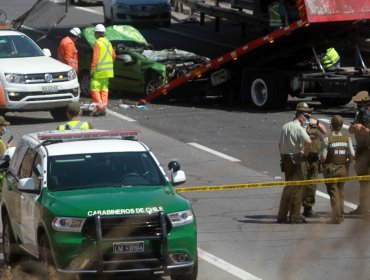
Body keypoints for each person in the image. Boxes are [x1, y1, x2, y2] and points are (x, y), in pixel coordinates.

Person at [277, 102, 312, 224]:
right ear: (301, 116)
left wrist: (282, 157)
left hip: (286, 158)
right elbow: (308, 141)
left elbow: (280, 145)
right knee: (298, 187)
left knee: (288, 187)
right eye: (307, 117)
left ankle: (281, 216)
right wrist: (305, 153)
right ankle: (295, 216)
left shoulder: (285, 126)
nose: (308, 119)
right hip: (296, 158)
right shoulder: (299, 127)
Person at [320, 115, 355, 224]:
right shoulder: (347, 138)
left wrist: (321, 164)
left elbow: (323, 157)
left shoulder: (327, 140)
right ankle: (341, 215)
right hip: (343, 169)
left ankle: (336, 218)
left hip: (331, 170)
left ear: (332, 126)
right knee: (340, 192)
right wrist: (348, 161)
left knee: (333, 193)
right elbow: (353, 155)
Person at [301, 104, 327, 218]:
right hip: (304, 158)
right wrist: (305, 124)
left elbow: (325, 131)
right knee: (301, 184)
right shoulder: (298, 124)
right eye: (306, 113)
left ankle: (308, 208)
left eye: (310, 113)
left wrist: (316, 123)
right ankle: (295, 210)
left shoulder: (313, 124)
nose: (309, 115)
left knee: (312, 185)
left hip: (315, 158)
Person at [348, 90, 370, 216]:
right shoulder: (359, 115)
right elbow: (351, 131)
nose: (359, 108)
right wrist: (354, 128)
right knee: (363, 181)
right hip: (361, 150)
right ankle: (363, 206)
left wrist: (367, 131)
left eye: (361, 105)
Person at [90, 24, 116, 117]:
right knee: (104, 89)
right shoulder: (108, 43)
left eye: (95, 33)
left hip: (99, 71)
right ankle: (103, 108)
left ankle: (100, 108)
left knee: (94, 89)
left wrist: (92, 68)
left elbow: (96, 57)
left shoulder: (97, 43)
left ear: (97, 34)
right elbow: (114, 56)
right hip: (108, 71)